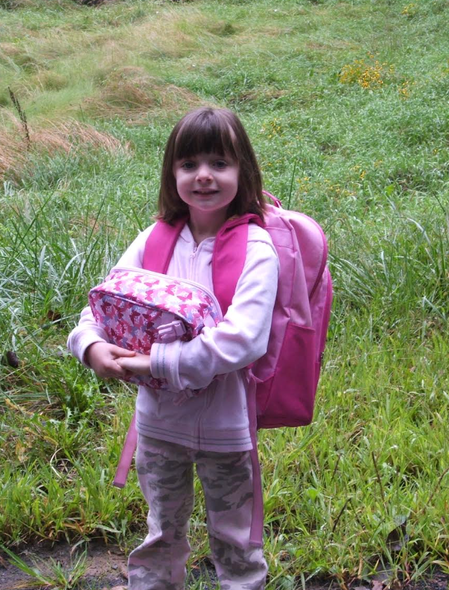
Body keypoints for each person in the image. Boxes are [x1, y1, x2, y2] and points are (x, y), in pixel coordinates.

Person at [67, 107, 279, 590]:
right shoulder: (153, 240)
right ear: (172, 173)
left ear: (242, 171)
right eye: (188, 165)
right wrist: (91, 347)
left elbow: (242, 339)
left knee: (235, 537)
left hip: (227, 428)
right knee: (161, 530)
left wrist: (153, 361)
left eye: (219, 163)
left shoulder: (256, 249)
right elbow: (102, 307)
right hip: (158, 426)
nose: (203, 176)